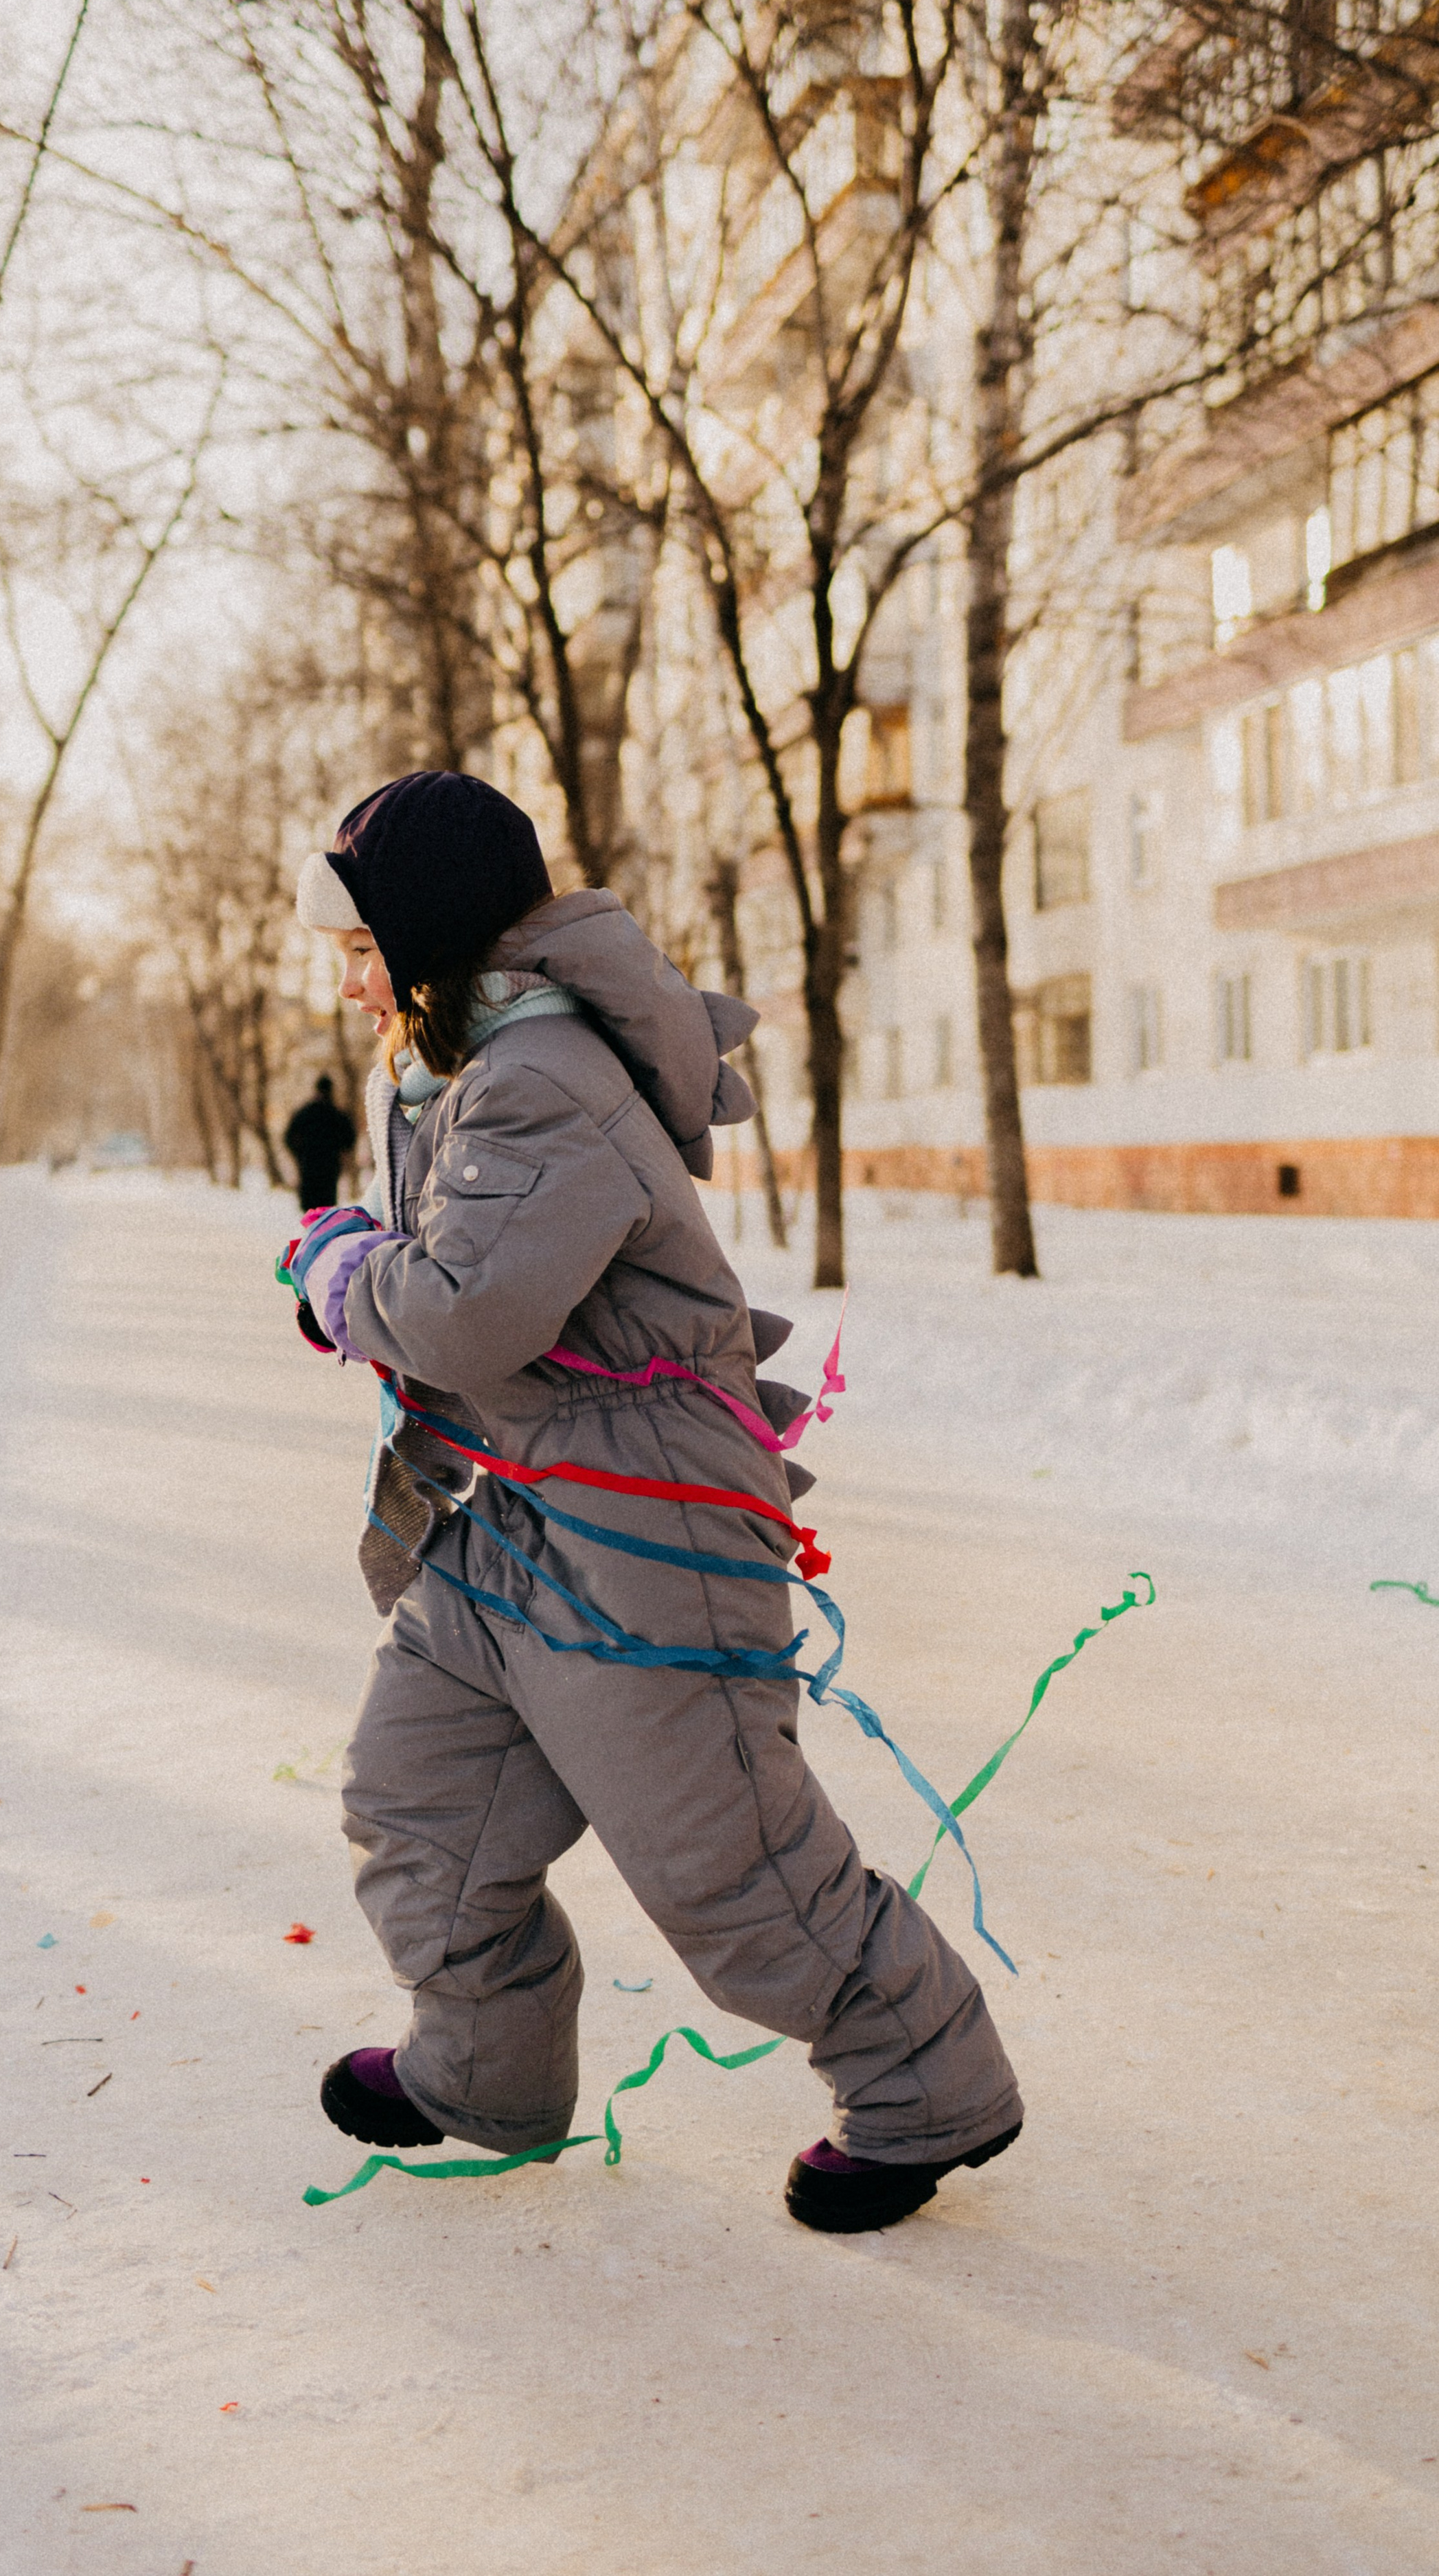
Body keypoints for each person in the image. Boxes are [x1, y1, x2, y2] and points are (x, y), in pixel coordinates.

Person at [283, 770, 1020, 2233]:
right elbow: (443, 1297)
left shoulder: (538, 1075)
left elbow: (459, 1313)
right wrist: (364, 1267)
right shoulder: (452, 1068)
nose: (348, 983)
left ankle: (925, 2081)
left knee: (723, 1868)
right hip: (507, 1509)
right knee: (419, 1798)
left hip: (642, 1528)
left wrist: (331, 1270)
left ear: (427, 937)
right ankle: (479, 2071)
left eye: (362, 949)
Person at [283, 1074, 356, 1213]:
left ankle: (311, 1233)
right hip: (330, 1168)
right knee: (327, 1210)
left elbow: (289, 1138)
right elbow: (350, 1140)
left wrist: (299, 1154)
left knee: (309, 1210)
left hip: (308, 1166)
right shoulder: (337, 1115)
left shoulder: (304, 1113)